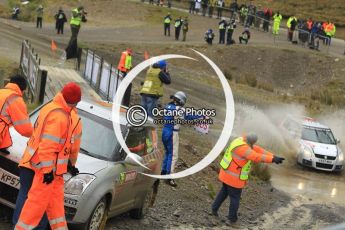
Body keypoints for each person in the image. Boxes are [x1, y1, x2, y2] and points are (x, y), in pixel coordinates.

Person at [14, 83, 82, 230]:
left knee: (55, 207)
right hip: (47, 170)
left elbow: (62, 146)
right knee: (35, 206)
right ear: (76, 102)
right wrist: (47, 172)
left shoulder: (53, 108)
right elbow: (47, 147)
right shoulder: (61, 116)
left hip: (53, 170)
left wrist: (69, 165)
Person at [211, 134, 285, 225]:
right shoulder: (244, 149)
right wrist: (272, 160)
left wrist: (274, 156)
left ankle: (214, 209)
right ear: (251, 141)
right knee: (235, 198)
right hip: (234, 178)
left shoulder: (240, 140)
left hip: (226, 174)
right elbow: (256, 157)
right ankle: (231, 220)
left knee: (224, 192)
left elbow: (259, 150)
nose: (254, 145)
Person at [161, 91, 201, 187]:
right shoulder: (179, 109)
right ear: (181, 101)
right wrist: (200, 116)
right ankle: (169, 177)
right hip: (172, 132)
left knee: (168, 152)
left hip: (165, 131)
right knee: (173, 155)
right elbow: (189, 116)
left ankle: (163, 171)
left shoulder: (168, 106)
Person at [0, 75, 33, 155]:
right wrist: (36, 135)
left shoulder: (1, 92)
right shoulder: (15, 99)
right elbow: (25, 129)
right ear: (23, 90)